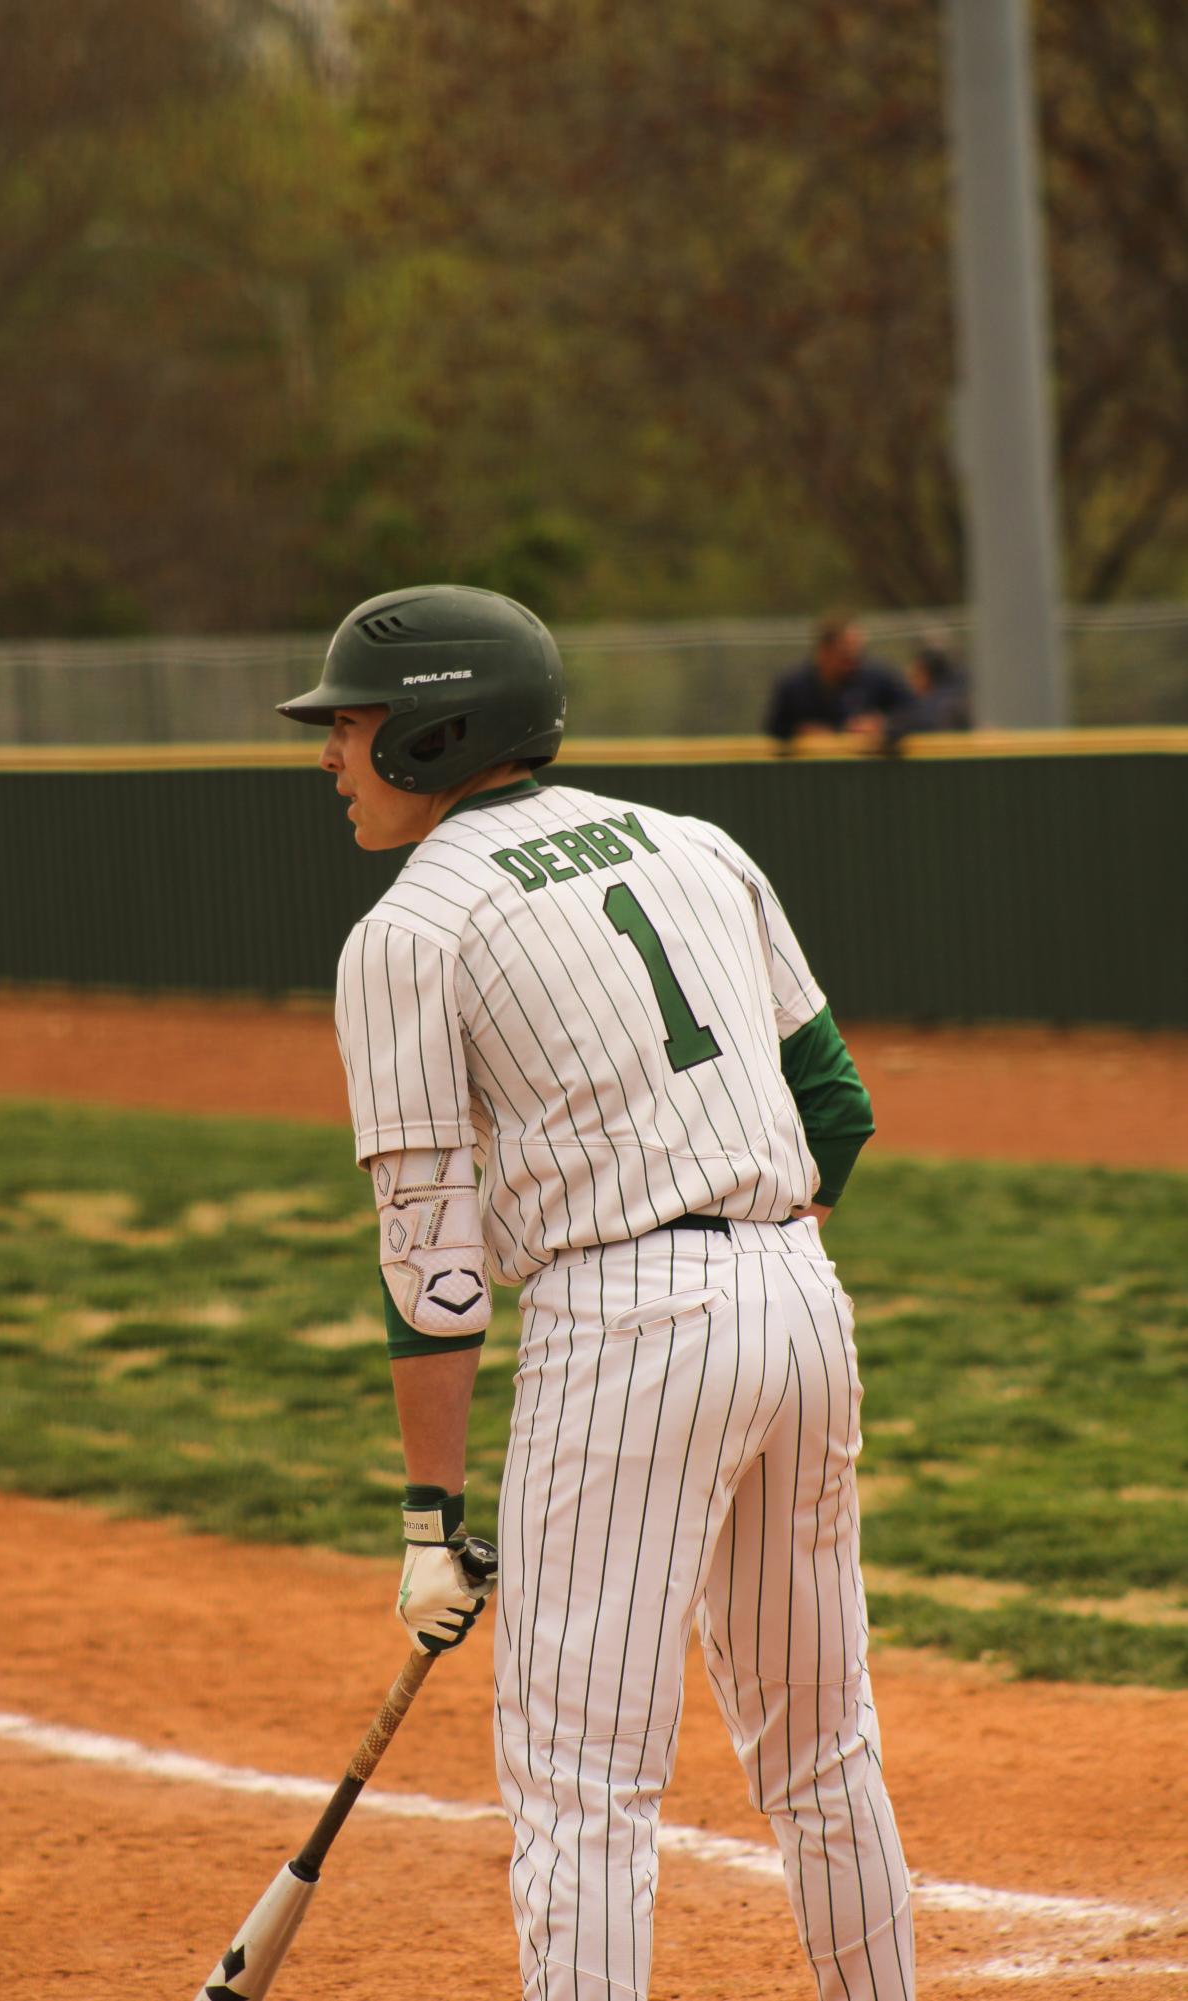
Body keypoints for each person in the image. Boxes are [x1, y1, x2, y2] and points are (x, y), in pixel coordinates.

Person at [278, 585, 915, 2001]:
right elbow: (837, 1109)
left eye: (354, 725)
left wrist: (429, 1517)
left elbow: (434, 1264)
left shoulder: (409, 929)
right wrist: (746, 1259)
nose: (329, 754)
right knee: (820, 1750)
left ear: (438, 731)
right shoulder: (695, 843)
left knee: (578, 1786)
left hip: (626, 1332)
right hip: (799, 1302)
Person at [764, 612, 911, 748]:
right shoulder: (793, 685)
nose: (853, 662)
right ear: (824, 651)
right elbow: (774, 729)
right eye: (845, 656)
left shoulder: (877, 677)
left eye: (857, 654)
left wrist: (883, 725)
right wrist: (799, 732)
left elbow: (914, 712)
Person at [885, 638, 972, 745]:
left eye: (915, 675)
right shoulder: (954, 700)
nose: (909, 680)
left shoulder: (938, 707)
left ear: (927, 676)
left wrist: (884, 726)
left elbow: (915, 723)